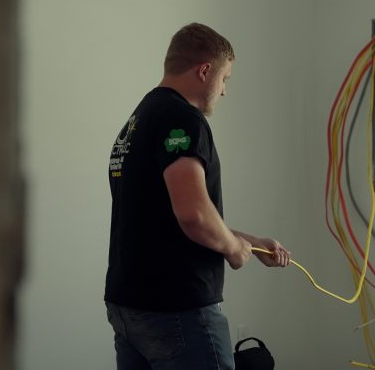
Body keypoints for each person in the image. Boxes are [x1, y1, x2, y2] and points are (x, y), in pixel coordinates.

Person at [105, 22, 291, 370]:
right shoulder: (182, 119)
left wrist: (250, 241)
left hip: (128, 307)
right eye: (225, 79)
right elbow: (193, 215)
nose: (224, 91)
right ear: (205, 70)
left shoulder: (138, 119)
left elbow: (169, 216)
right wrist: (234, 249)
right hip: (176, 310)